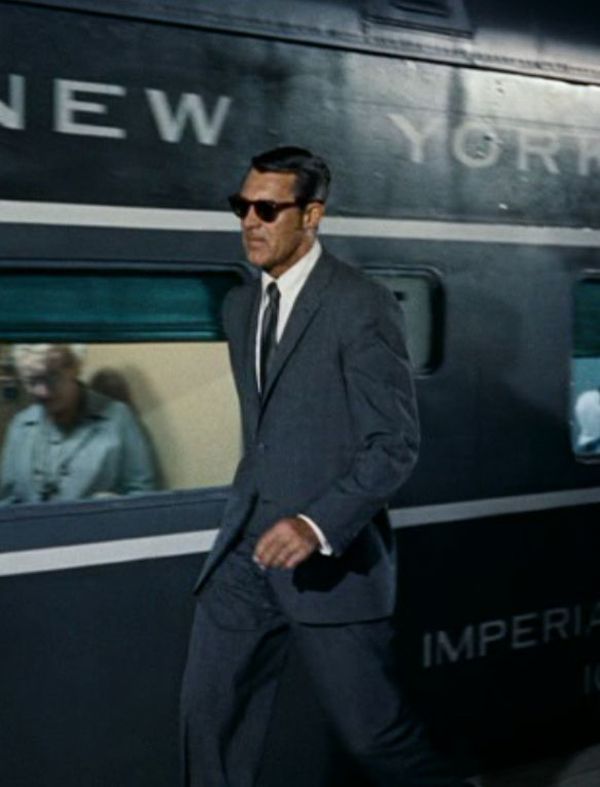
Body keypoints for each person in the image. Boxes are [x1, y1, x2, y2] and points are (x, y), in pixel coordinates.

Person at [180, 147, 469, 786]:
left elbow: (394, 443)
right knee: (210, 717)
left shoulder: (359, 304)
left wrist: (314, 525)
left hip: (327, 560)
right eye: (240, 206)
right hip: (244, 550)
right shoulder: (240, 307)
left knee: (375, 740)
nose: (249, 221)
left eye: (266, 208)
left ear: (311, 215)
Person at [0, 343, 156, 503]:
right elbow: (6, 500)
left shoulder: (118, 419)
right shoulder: (20, 425)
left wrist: (116, 508)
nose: (42, 392)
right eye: (32, 381)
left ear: (74, 369)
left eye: (52, 377)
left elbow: (143, 493)